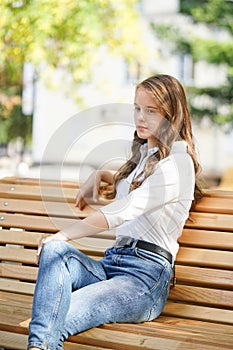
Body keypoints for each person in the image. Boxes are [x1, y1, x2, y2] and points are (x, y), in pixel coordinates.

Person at [27, 74, 202, 350]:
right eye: (137, 108)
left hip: (143, 279)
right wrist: (101, 175)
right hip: (112, 265)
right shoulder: (145, 156)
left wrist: (64, 233)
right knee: (54, 252)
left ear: (172, 114)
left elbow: (126, 208)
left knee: (58, 317)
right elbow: (131, 189)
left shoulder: (178, 163)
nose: (140, 117)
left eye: (151, 110)